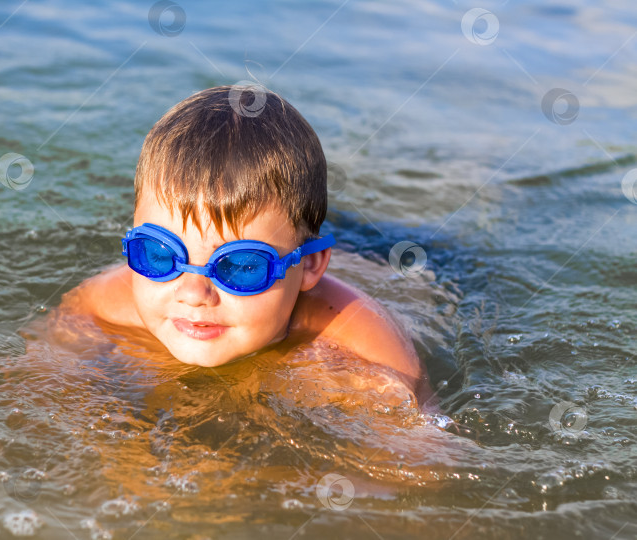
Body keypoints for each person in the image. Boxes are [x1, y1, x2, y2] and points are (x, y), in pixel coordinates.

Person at [57, 84, 434, 403]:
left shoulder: (365, 347)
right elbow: (41, 391)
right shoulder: (101, 306)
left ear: (311, 265)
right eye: (159, 255)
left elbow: (419, 465)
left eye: (242, 266)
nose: (193, 293)